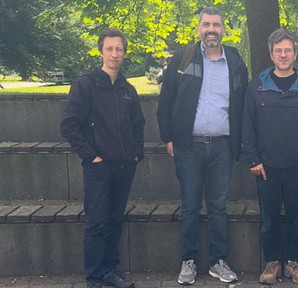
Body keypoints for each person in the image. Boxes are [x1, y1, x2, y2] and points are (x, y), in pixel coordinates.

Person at [156, 7, 249, 285]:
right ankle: (189, 261)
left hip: (222, 147)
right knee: (190, 207)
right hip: (188, 147)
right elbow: (166, 101)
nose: (211, 29)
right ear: (198, 28)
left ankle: (219, 262)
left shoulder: (234, 60)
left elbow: (243, 103)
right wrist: (168, 138)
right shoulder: (183, 58)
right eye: (206, 24)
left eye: (217, 25)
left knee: (219, 207)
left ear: (223, 29)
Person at [61, 28, 145, 288]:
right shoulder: (85, 85)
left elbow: (138, 124)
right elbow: (69, 125)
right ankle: (95, 277)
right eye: (109, 48)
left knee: (114, 220)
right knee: (97, 222)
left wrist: (136, 153)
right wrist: (90, 156)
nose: (114, 54)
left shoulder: (128, 89)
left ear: (124, 53)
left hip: (124, 166)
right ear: (101, 51)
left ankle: (111, 271)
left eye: (119, 49)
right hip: (99, 167)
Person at [243, 28, 298, 285]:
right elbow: (248, 125)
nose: (283, 54)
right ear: (271, 54)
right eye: (278, 50)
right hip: (267, 167)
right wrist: (254, 160)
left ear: (295, 53)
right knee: (269, 220)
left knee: (296, 220)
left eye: (288, 50)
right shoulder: (257, 85)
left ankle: (294, 263)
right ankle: (272, 263)